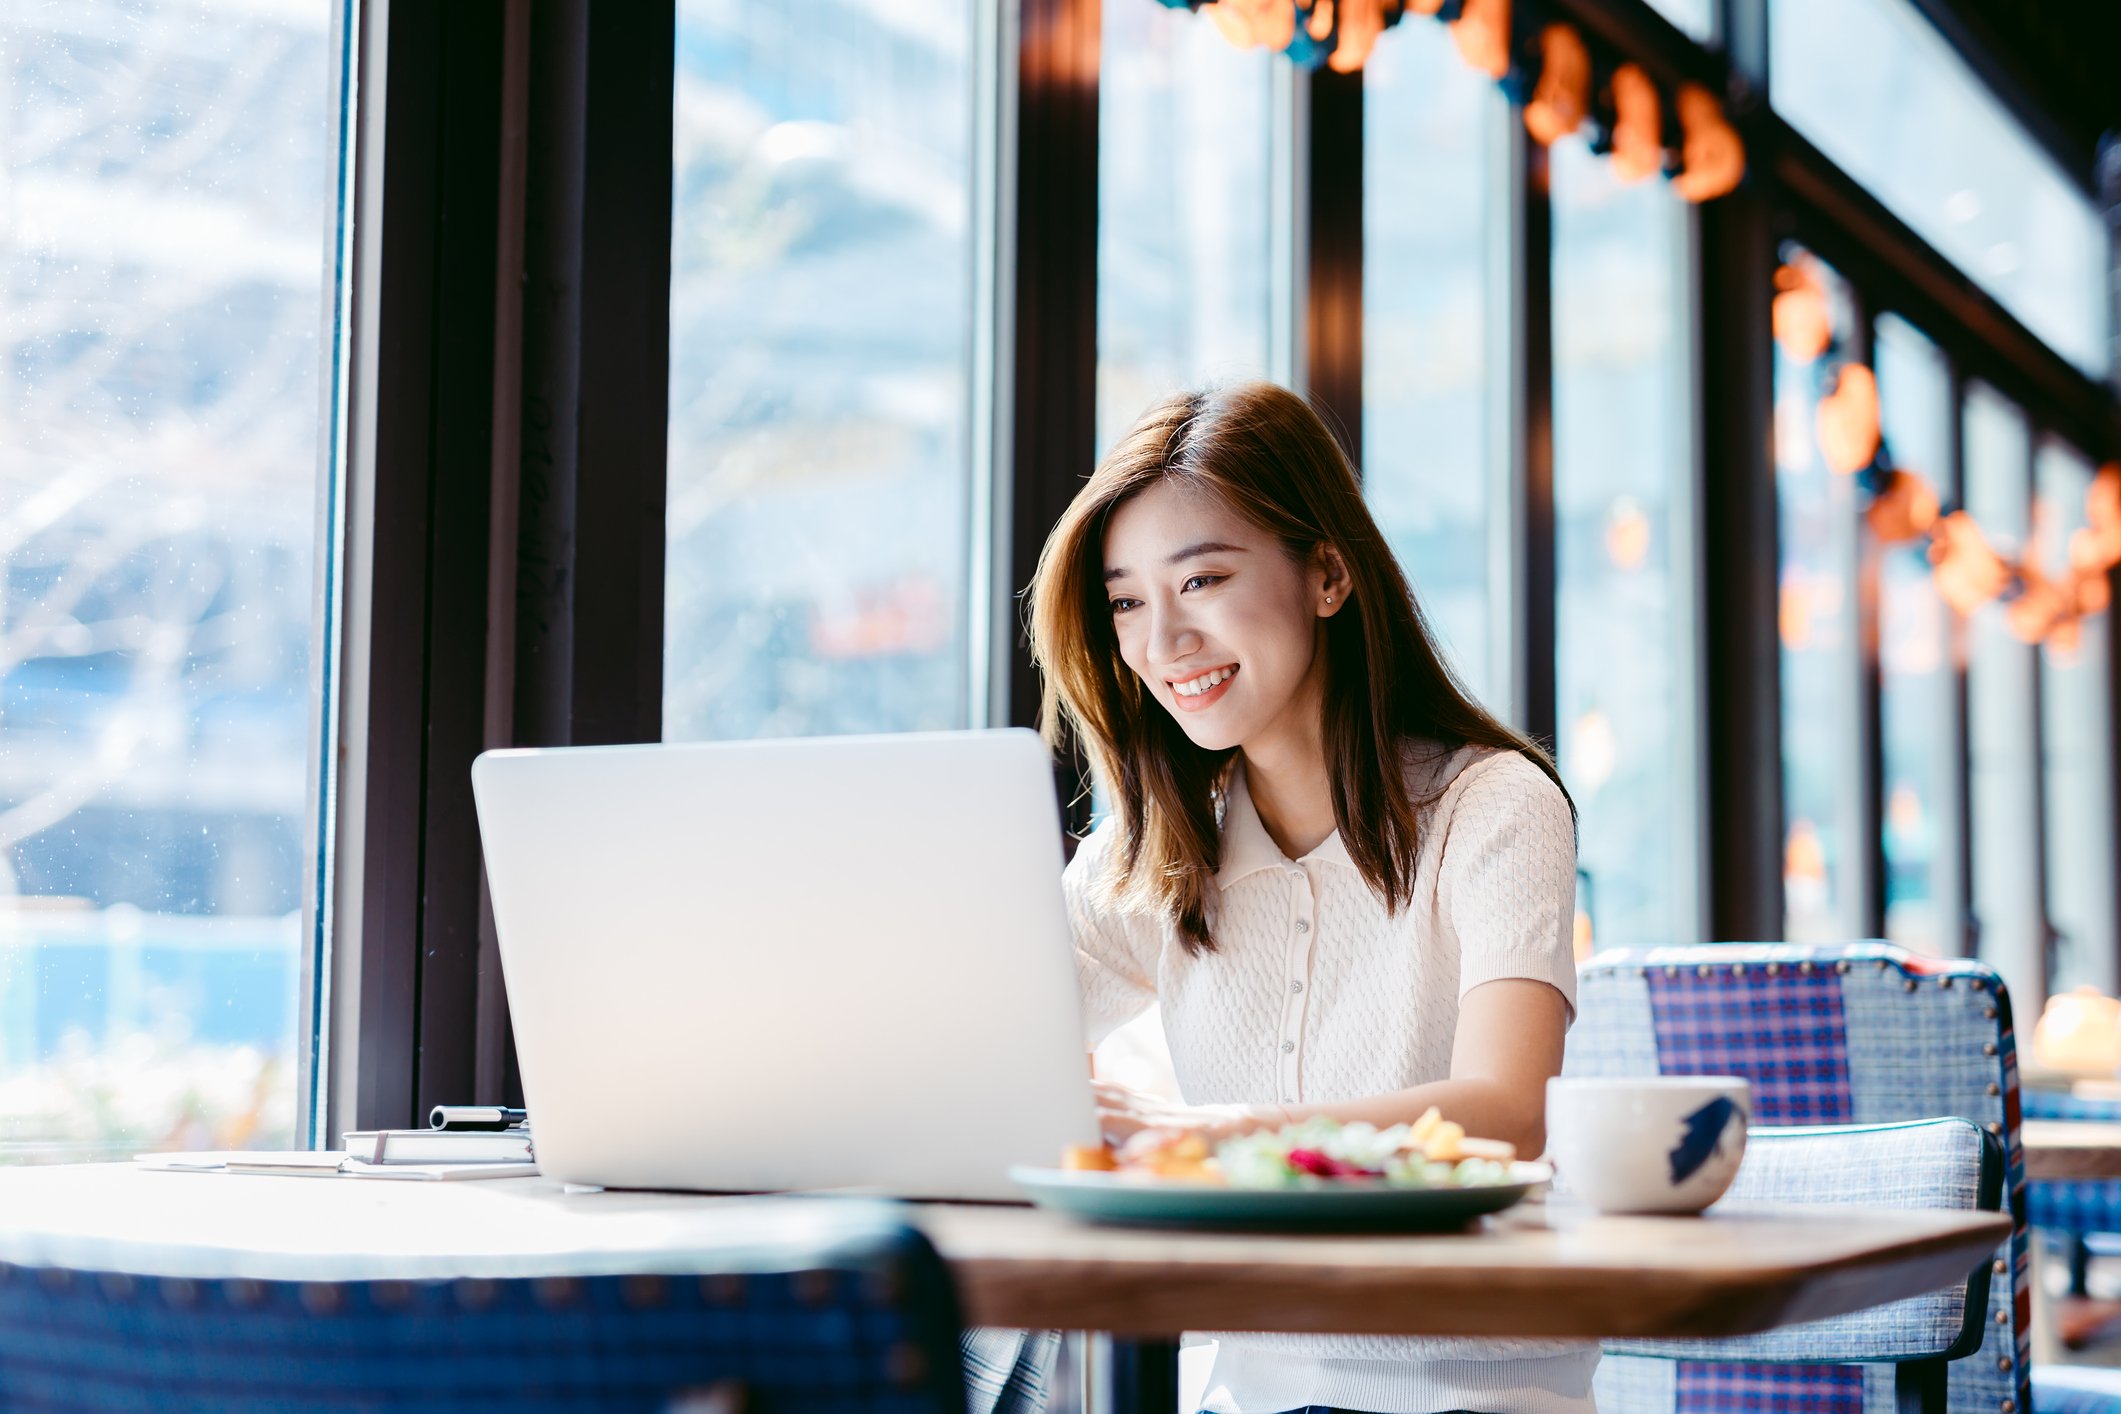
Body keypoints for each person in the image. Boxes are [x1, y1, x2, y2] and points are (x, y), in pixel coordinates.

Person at [1021, 381, 1591, 1414]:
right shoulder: (1150, 856)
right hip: (1244, 1391)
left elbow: (1507, 1114)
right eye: (1128, 601)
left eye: (1202, 579)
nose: (1163, 641)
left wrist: (1200, 1136)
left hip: (1472, 1390)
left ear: (1328, 573)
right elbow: (975, 1050)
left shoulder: (1492, 807)